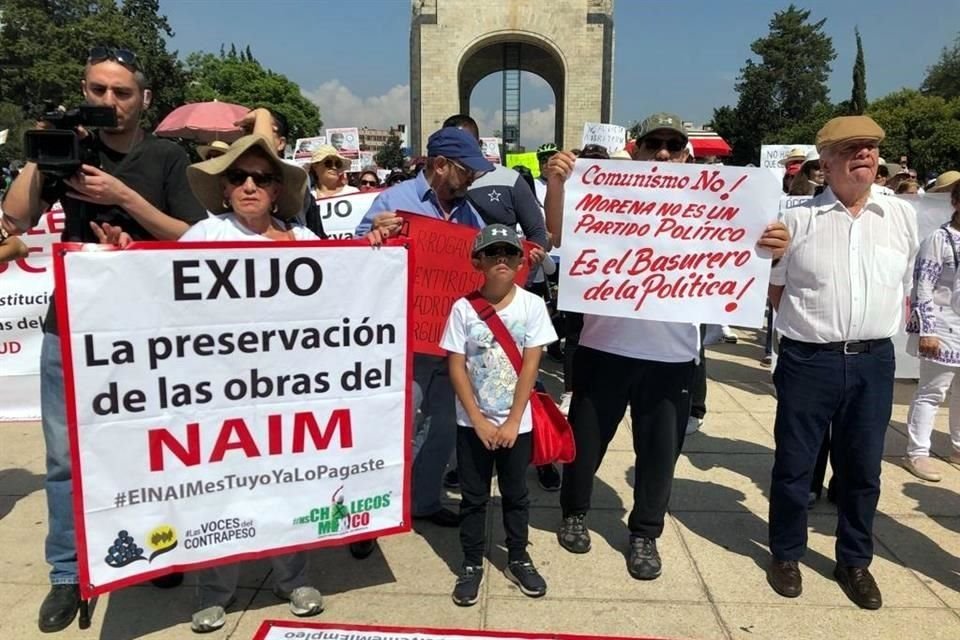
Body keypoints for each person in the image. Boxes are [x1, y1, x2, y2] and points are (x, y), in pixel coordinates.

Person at [0, 46, 207, 633]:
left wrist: (125, 200)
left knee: (154, 447)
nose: (108, 103)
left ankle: (158, 547)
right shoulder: (69, 150)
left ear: (144, 99)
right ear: (84, 92)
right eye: (97, 91)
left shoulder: (168, 156)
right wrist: (41, 153)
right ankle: (67, 574)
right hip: (70, 327)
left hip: (147, 334)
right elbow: (15, 220)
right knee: (65, 460)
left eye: (121, 93)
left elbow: (192, 238)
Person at [544, 112, 790, 581]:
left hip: (671, 359)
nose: (662, 153)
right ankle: (574, 510)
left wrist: (774, 245)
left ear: (686, 154)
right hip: (604, 348)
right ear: (634, 149)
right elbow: (559, 235)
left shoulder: (716, 202)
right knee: (586, 443)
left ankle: (644, 533)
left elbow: (751, 251)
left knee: (658, 456)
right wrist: (557, 185)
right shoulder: (607, 194)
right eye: (653, 143)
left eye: (672, 145)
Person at [767, 116, 919, 610]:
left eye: (872, 149)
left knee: (862, 470)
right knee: (794, 465)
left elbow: (906, 286)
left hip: (874, 362)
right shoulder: (796, 221)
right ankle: (787, 553)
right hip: (809, 360)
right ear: (826, 162)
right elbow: (775, 292)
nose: (865, 156)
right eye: (851, 148)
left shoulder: (900, 216)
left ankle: (854, 560)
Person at [179, 133, 324, 632]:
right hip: (220, 392)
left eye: (261, 178)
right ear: (223, 189)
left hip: (287, 392)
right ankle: (215, 590)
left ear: (277, 190)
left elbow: (341, 299)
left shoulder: (303, 241)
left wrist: (374, 251)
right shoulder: (203, 238)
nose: (249, 185)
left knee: (289, 482)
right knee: (222, 488)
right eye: (238, 177)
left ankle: (292, 577)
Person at [352, 127, 494, 558]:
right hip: (401, 344)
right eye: (466, 171)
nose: (472, 179)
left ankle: (425, 501)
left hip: (449, 346)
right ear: (439, 166)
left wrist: (518, 258)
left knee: (441, 430)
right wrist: (372, 237)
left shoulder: (471, 215)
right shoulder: (393, 202)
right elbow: (349, 256)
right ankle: (366, 518)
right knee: (392, 429)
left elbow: (485, 261)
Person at [441, 224, 556, 606]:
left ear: (522, 261)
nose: (501, 260)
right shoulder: (462, 308)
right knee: (473, 497)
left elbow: (531, 366)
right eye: (492, 253)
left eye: (509, 253)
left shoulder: (532, 306)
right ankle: (471, 562)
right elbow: (456, 366)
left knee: (516, 494)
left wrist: (511, 420)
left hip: (515, 423)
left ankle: (519, 555)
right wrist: (476, 418)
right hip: (472, 421)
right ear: (478, 261)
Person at [903, 178, 960, 482]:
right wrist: (927, 329)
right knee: (932, 391)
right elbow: (923, 286)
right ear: (955, 203)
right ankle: (917, 452)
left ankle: (958, 446)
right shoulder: (940, 239)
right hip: (942, 325)